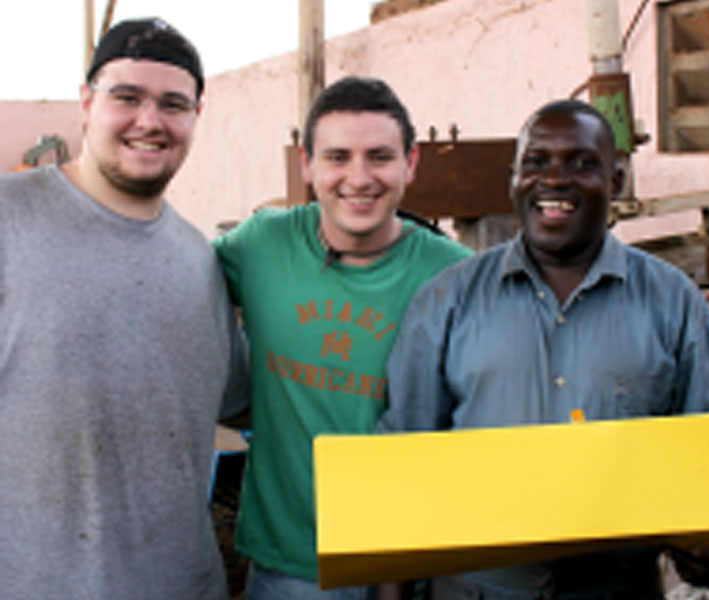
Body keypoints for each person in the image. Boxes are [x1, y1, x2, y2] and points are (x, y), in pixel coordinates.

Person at [379, 99, 709, 599]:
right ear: (513, 178)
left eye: (581, 163)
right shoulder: (447, 301)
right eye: (536, 162)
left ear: (616, 180)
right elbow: (400, 467)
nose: (554, 179)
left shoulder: (673, 302)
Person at [0, 18, 248, 599]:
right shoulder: (9, 221)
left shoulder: (201, 263)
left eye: (172, 104)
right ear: (85, 103)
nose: (149, 121)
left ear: (195, 117)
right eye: (127, 97)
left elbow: (242, 402)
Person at [213, 76, 473, 599]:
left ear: (411, 163)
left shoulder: (458, 277)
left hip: (414, 565)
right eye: (338, 157)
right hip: (290, 569)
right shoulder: (263, 245)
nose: (359, 177)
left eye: (379, 156)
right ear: (307, 164)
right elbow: (171, 287)